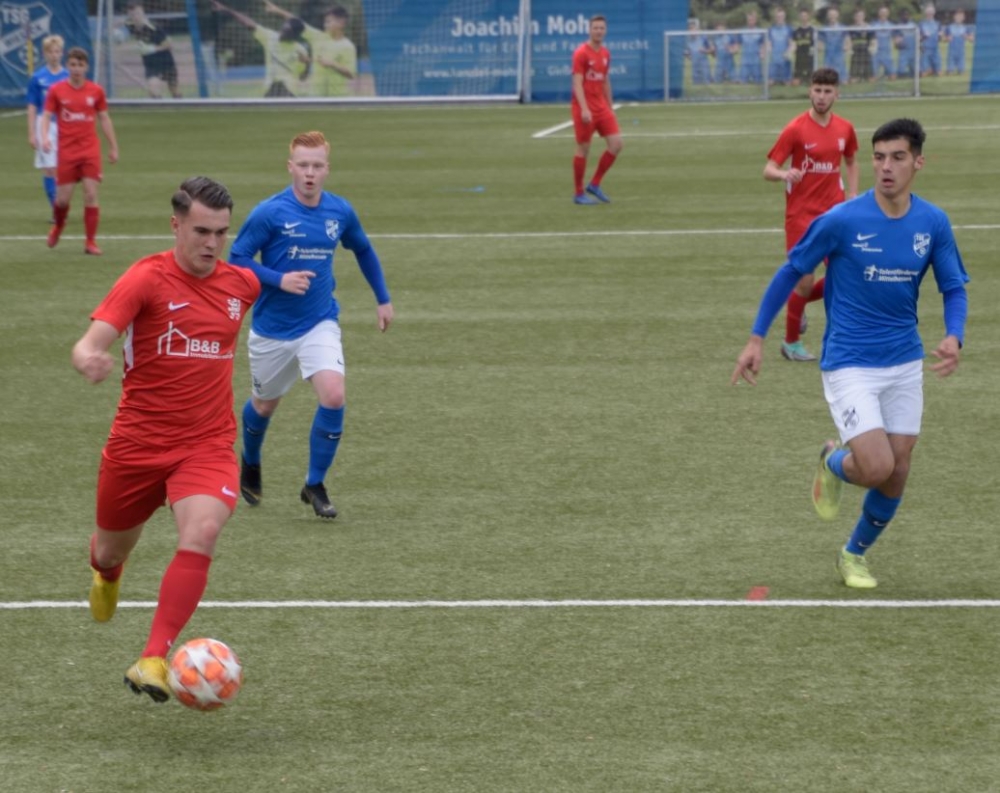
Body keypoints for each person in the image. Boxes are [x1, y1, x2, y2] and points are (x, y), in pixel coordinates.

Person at [733, 118, 969, 590]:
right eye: (879, 157)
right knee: (876, 466)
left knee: (898, 471)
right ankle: (832, 462)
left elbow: (953, 287)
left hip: (905, 361)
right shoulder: (841, 220)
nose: (886, 167)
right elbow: (790, 272)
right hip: (850, 362)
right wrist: (756, 337)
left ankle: (853, 555)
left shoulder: (933, 223)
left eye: (897, 157)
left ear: (918, 162)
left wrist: (954, 336)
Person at [73, 177, 260, 701]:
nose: (212, 243)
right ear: (175, 225)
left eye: (221, 233)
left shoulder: (241, 285)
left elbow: (268, 285)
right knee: (109, 549)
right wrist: (89, 357)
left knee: (203, 529)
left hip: (206, 444)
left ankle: (153, 658)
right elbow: (90, 341)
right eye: (201, 231)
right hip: (136, 447)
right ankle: (107, 573)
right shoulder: (145, 279)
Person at [229, 131, 393, 519]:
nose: (309, 173)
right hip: (272, 329)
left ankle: (314, 483)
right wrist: (279, 279)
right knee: (264, 404)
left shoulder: (340, 212)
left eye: (317, 166)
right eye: (303, 165)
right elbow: (237, 258)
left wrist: (383, 298)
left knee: (333, 395)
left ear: (327, 169)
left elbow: (363, 249)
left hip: (320, 322)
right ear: (290, 167)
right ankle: (250, 459)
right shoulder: (269, 212)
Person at [762, 67, 859, 362]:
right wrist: (784, 174)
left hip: (834, 214)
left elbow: (851, 160)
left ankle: (798, 303)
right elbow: (768, 169)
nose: (821, 96)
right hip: (801, 216)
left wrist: (853, 195)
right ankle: (791, 343)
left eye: (827, 91)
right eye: (817, 90)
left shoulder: (845, 128)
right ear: (810, 91)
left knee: (845, 276)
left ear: (837, 94)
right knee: (804, 281)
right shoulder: (795, 129)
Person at [40, 46, 119, 256]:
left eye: (80, 65)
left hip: (89, 150)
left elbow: (104, 118)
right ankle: (58, 226)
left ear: (86, 67)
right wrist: (45, 137)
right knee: (62, 200)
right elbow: (46, 116)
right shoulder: (56, 90)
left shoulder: (96, 91)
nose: (76, 69)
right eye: (73, 64)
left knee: (91, 194)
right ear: (68, 66)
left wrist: (113, 146)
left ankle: (90, 242)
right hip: (67, 152)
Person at [570, 14, 622, 205]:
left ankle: (594, 184)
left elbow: (605, 80)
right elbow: (577, 83)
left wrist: (610, 106)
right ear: (589, 30)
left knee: (616, 144)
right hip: (584, 108)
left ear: (605, 30)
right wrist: (584, 109)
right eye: (595, 28)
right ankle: (578, 194)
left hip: (601, 107)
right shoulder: (581, 53)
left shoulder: (606, 53)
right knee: (583, 149)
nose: (599, 31)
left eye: (601, 28)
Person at [211, 0, 311, 97]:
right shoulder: (271, 37)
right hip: (271, 89)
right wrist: (226, 10)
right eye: (283, 29)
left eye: (286, 32)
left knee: (281, 86)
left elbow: (303, 77)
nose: (281, 33)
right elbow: (248, 23)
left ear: (294, 35)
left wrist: (306, 64)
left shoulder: (300, 50)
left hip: (289, 91)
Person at [265, 0, 357, 97]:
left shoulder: (348, 46)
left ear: (341, 23)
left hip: (338, 97)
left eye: (328, 22)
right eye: (325, 22)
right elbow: (297, 22)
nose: (325, 25)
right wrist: (277, 10)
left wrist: (332, 64)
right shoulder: (317, 37)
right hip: (316, 96)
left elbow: (351, 74)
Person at [25, 34, 67, 219]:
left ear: (62, 53)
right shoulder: (38, 77)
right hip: (45, 126)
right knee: (49, 168)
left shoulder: (67, 76)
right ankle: (56, 210)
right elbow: (32, 106)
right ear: (45, 53)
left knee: (63, 170)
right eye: (50, 52)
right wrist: (32, 133)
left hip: (65, 125)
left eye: (57, 51)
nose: (54, 55)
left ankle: (62, 204)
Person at [122, 1, 183, 98]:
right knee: (153, 92)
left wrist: (152, 49)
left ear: (143, 12)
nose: (135, 17)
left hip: (166, 62)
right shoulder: (130, 25)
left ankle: (179, 103)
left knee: (175, 92)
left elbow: (169, 45)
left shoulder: (153, 27)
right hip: (150, 64)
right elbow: (120, 25)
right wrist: (115, 32)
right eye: (132, 14)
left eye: (137, 13)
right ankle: (160, 105)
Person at [737, 10, 765, 84]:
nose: (751, 21)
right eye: (749, 19)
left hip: (756, 60)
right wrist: (732, 49)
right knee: (742, 82)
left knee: (758, 82)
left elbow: (763, 44)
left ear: (755, 20)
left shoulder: (760, 32)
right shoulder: (742, 31)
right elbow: (738, 45)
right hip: (745, 60)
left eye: (752, 19)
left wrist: (762, 53)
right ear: (747, 20)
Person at [767, 7, 793, 86]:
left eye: (781, 16)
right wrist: (769, 52)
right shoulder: (771, 29)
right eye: (778, 16)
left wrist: (788, 52)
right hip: (774, 60)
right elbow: (769, 43)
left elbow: (791, 44)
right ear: (775, 17)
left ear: (784, 17)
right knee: (770, 83)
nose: (780, 18)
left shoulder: (789, 29)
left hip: (785, 59)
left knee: (787, 83)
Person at [819, 7, 848, 78]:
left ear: (837, 15)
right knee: (828, 78)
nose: (832, 16)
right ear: (828, 16)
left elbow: (847, 39)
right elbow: (820, 41)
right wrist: (820, 47)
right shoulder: (824, 28)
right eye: (830, 15)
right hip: (828, 55)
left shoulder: (843, 27)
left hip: (839, 55)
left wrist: (846, 46)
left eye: (834, 14)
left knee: (842, 79)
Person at [944, 9, 974, 75]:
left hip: (961, 52)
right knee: (950, 72)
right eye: (957, 16)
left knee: (961, 72)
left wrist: (966, 37)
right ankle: (950, 69)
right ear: (954, 17)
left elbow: (972, 39)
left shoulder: (966, 28)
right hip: (952, 51)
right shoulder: (949, 27)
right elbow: (944, 39)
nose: (959, 18)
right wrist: (947, 38)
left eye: (961, 16)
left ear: (963, 18)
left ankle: (960, 69)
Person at [791, 9, 815, 86]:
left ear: (808, 17)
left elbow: (817, 44)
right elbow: (793, 44)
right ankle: (799, 79)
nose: (803, 18)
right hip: (799, 59)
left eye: (805, 16)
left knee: (812, 83)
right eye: (802, 16)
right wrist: (791, 51)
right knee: (795, 84)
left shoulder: (813, 30)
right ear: (799, 17)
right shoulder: (796, 31)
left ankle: (809, 78)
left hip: (809, 59)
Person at [871, 6, 896, 81]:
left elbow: (896, 36)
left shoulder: (891, 25)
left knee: (893, 77)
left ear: (888, 14)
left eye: (885, 12)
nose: (883, 14)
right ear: (879, 13)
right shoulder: (873, 24)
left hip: (887, 52)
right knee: (873, 78)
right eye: (881, 12)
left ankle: (887, 75)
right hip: (876, 52)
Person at [685, 18, 712, 86]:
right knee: (696, 81)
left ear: (697, 30)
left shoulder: (703, 38)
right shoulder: (688, 40)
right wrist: (689, 56)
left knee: (706, 77)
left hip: (704, 61)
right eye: (690, 30)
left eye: (693, 30)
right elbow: (685, 52)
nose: (692, 32)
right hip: (694, 63)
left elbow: (711, 49)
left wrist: (704, 50)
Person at [848, 8, 873, 83]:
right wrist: (849, 48)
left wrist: (872, 47)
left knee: (870, 79)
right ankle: (855, 76)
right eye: (857, 16)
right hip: (855, 50)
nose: (859, 18)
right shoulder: (851, 28)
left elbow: (873, 39)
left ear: (864, 16)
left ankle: (867, 75)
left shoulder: (869, 27)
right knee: (853, 80)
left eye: (861, 16)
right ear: (854, 17)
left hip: (866, 50)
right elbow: (848, 39)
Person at [918, 3, 943, 77]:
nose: (929, 13)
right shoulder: (921, 24)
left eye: (931, 11)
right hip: (925, 49)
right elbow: (918, 38)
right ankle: (927, 69)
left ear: (934, 12)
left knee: (939, 72)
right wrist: (924, 37)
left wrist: (940, 36)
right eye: (928, 11)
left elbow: (940, 38)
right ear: (925, 12)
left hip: (935, 49)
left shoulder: (938, 24)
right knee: (924, 73)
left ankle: (934, 69)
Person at [894, 8, 917, 79]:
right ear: (901, 16)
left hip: (913, 51)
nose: (905, 16)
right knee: (901, 73)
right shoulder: (898, 26)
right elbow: (896, 40)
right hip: (903, 51)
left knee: (917, 73)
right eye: (903, 15)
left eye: (907, 15)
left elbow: (918, 37)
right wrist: (897, 43)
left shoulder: (913, 25)